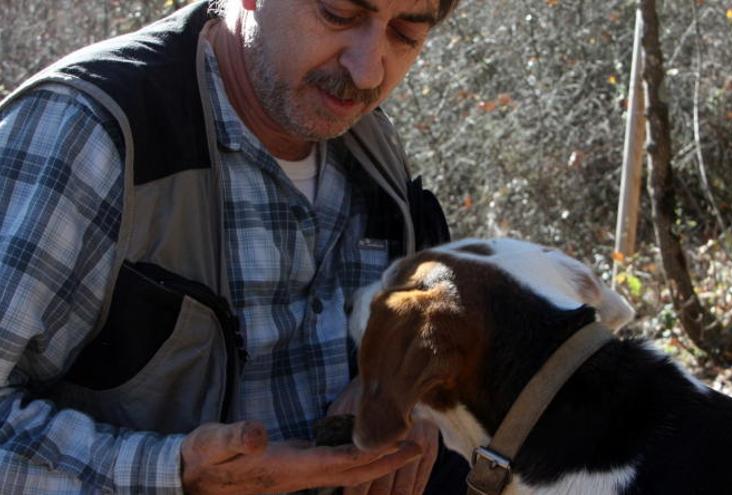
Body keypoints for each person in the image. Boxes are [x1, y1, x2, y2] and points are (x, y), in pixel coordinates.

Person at [0, 0, 468, 493]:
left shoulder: (369, 140)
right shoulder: (81, 131)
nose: (368, 70)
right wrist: (176, 476)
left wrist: (409, 387)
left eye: (406, 34)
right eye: (337, 14)